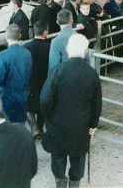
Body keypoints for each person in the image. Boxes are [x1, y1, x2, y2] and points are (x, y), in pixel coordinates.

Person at [41, 34, 102, 188]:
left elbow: (44, 100)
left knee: (58, 157)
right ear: (86, 52)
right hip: (81, 127)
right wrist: (93, 125)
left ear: (68, 50)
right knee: (78, 158)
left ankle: (60, 182)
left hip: (57, 124)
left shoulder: (57, 71)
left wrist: (48, 117)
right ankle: (75, 184)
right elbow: (97, 104)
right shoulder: (92, 73)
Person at [0, 24, 32, 123]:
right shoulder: (27, 53)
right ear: (20, 36)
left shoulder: (2, 56)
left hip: (7, 98)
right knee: (20, 125)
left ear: (6, 37)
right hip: (23, 96)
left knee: (8, 127)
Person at [24, 20, 50, 139]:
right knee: (42, 106)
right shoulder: (50, 46)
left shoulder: (26, 47)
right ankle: (39, 127)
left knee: (28, 105)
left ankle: (33, 127)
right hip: (45, 80)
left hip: (30, 81)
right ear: (45, 32)